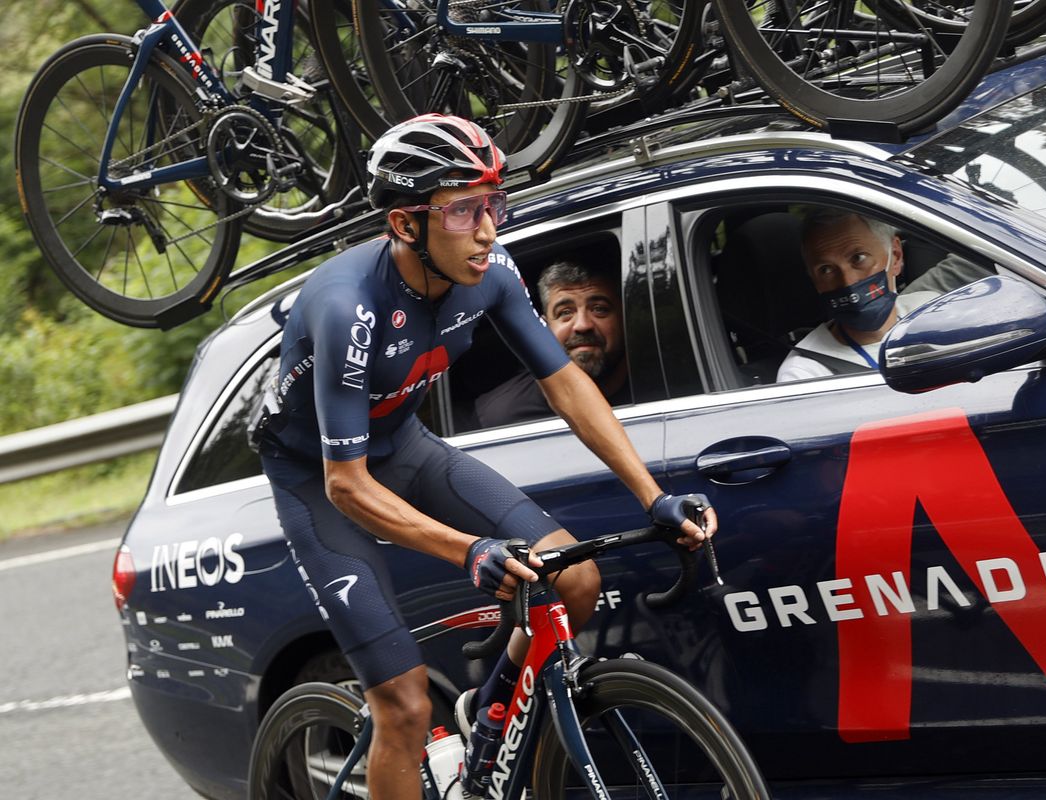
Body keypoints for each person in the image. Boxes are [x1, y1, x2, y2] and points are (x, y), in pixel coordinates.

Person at [249, 114, 717, 800]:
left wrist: (653, 495)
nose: (490, 229)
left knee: (576, 580)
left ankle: (490, 732)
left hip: (404, 444)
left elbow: (567, 386)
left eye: (493, 203)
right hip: (320, 482)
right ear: (408, 225)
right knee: (404, 708)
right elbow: (346, 486)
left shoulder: (491, 271)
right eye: (464, 210)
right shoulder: (349, 308)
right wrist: (471, 550)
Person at [776, 210, 942, 382]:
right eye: (826, 269)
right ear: (814, 280)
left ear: (896, 256)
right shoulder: (805, 374)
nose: (848, 283)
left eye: (858, 258)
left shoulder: (933, 312)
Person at [474, 259, 630, 428]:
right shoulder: (500, 418)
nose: (582, 325)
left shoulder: (659, 390)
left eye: (599, 309)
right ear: (545, 327)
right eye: (565, 312)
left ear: (624, 318)